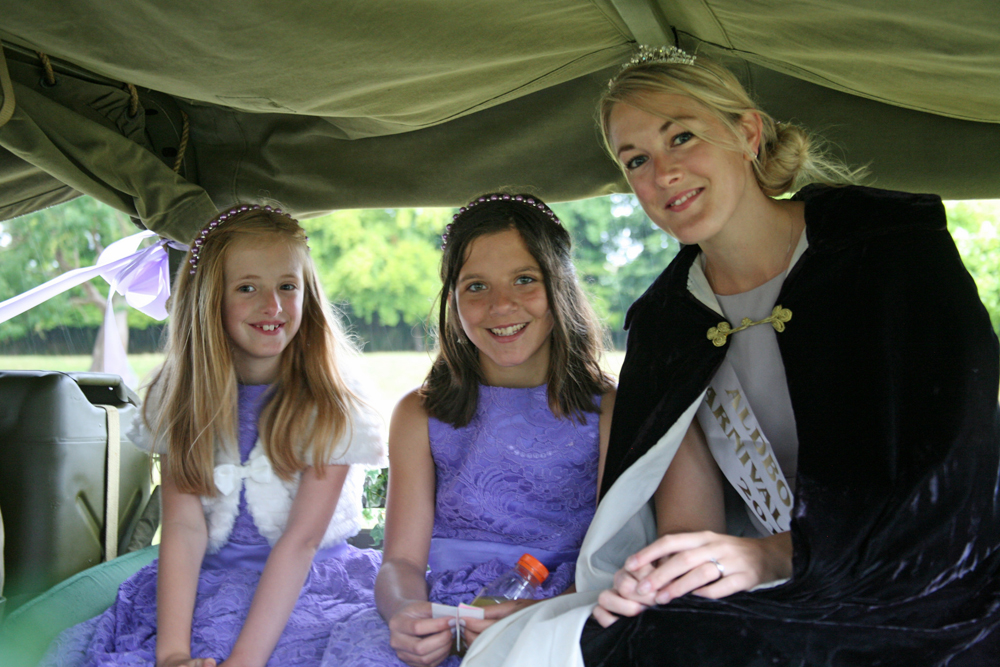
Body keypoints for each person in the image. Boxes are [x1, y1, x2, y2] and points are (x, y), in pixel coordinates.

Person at [460, 46, 1000, 667]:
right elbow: (692, 528)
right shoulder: (667, 323)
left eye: (681, 137)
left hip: (930, 569)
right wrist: (664, 575)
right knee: (571, 641)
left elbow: (954, 471)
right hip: (763, 580)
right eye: (636, 159)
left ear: (746, 132)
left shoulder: (890, 251)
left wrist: (777, 555)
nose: (661, 174)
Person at [40, 204, 387, 667]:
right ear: (210, 300)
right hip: (206, 582)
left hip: (308, 582)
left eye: (288, 286)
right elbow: (183, 529)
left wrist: (244, 661)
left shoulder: (329, 399)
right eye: (248, 288)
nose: (274, 306)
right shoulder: (181, 395)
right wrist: (173, 654)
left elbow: (300, 542)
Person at [321, 193, 616, 667]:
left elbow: (614, 563)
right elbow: (401, 563)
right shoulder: (420, 414)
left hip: (562, 611)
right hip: (445, 612)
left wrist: (539, 614)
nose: (501, 305)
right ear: (452, 299)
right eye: (476, 287)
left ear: (560, 287)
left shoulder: (608, 412)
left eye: (525, 280)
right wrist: (405, 613)